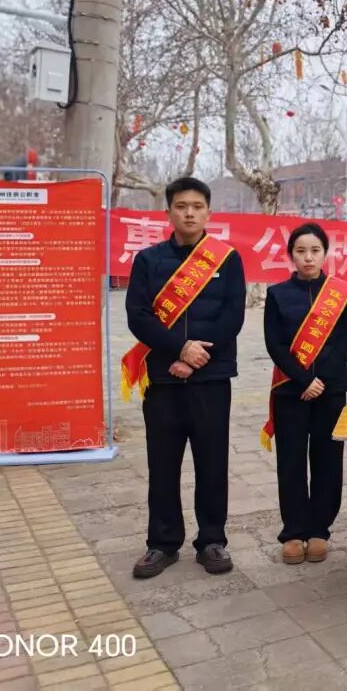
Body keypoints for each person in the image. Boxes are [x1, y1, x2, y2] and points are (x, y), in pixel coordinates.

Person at [124, 177, 246, 579]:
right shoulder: (148, 261)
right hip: (163, 379)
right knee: (162, 465)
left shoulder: (227, 260)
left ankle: (212, 540)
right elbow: (139, 316)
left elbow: (232, 317)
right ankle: (162, 543)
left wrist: (194, 359)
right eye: (181, 206)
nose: (189, 213)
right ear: (168, 212)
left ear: (208, 212)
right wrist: (179, 349)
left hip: (211, 379)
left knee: (212, 462)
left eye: (196, 206)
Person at [263, 223, 347, 565]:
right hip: (291, 390)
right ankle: (293, 531)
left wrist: (320, 380)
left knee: (328, 460)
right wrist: (304, 380)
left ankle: (320, 530)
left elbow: (344, 343)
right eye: (301, 251)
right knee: (291, 461)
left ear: (325, 253)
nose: (308, 258)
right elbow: (275, 344)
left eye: (315, 251)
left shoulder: (341, 294)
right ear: (291, 255)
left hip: (331, 390)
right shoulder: (277, 294)